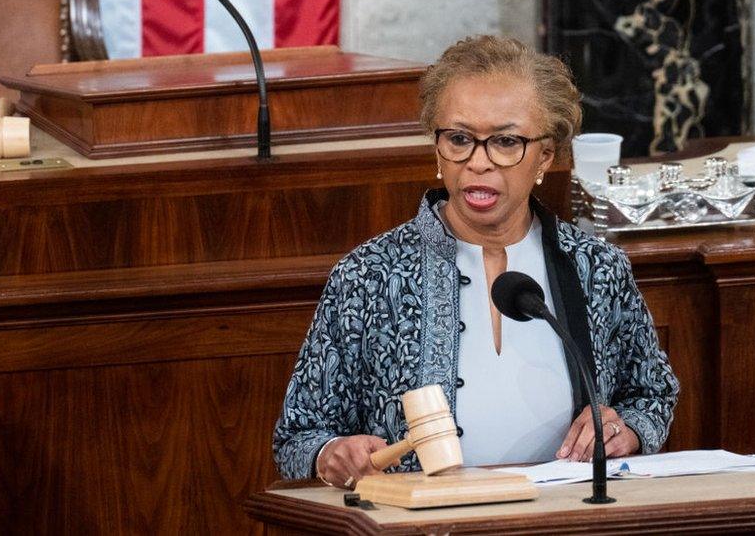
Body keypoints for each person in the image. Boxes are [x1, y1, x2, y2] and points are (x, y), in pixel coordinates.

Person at [273, 35, 679, 488]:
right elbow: (298, 436)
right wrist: (331, 454)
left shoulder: (595, 268)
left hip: (564, 516)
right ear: (437, 148)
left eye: (506, 141)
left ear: (545, 155)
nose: (478, 162)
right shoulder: (368, 275)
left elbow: (652, 394)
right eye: (460, 139)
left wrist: (627, 429)